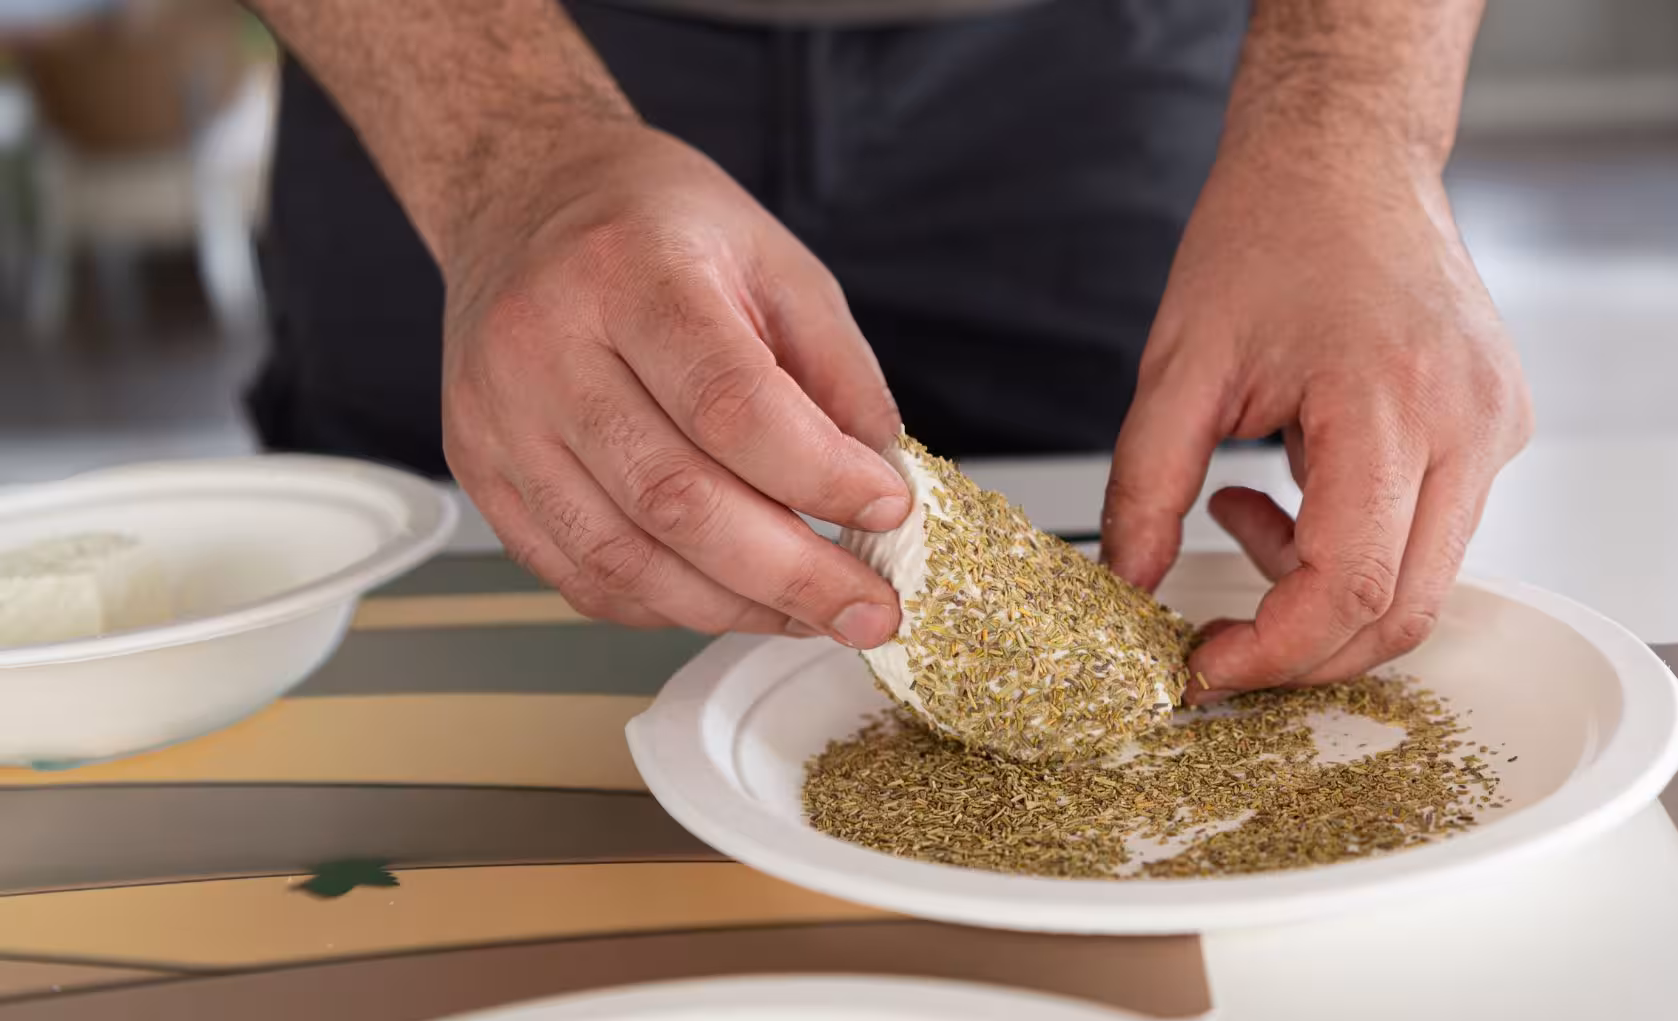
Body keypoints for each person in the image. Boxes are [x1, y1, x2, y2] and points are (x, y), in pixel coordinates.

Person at [243, 0, 1532, 699]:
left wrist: (1358, 111)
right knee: (445, 712)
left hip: (1119, 69)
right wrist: (505, 157)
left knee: (1146, 550)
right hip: (468, 54)